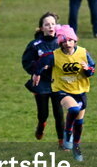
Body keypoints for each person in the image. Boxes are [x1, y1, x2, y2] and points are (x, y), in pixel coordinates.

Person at [31, 24, 95, 162]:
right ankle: (67, 133)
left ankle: (76, 147)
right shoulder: (54, 55)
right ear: (60, 42)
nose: (67, 43)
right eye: (64, 41)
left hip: (80, 90)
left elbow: (92, 70)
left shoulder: (83, 53)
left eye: (69, 40)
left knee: (79, 122)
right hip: (61, 90)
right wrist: (36, 74)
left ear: (74, 40)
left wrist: (87, 69)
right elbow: (40, 62)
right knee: (73, 109)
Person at [21, 11, 64, 147]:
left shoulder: (62, 42)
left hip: (58, 82)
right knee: (43, 113)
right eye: (47, 24)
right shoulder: (35, 45)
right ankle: (41, 125)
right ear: (41, 28)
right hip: (41, 83)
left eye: (53, 24)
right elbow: (26, 61)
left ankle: (62, 142)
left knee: (59, 113)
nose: (50, 26)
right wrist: (36, 70)